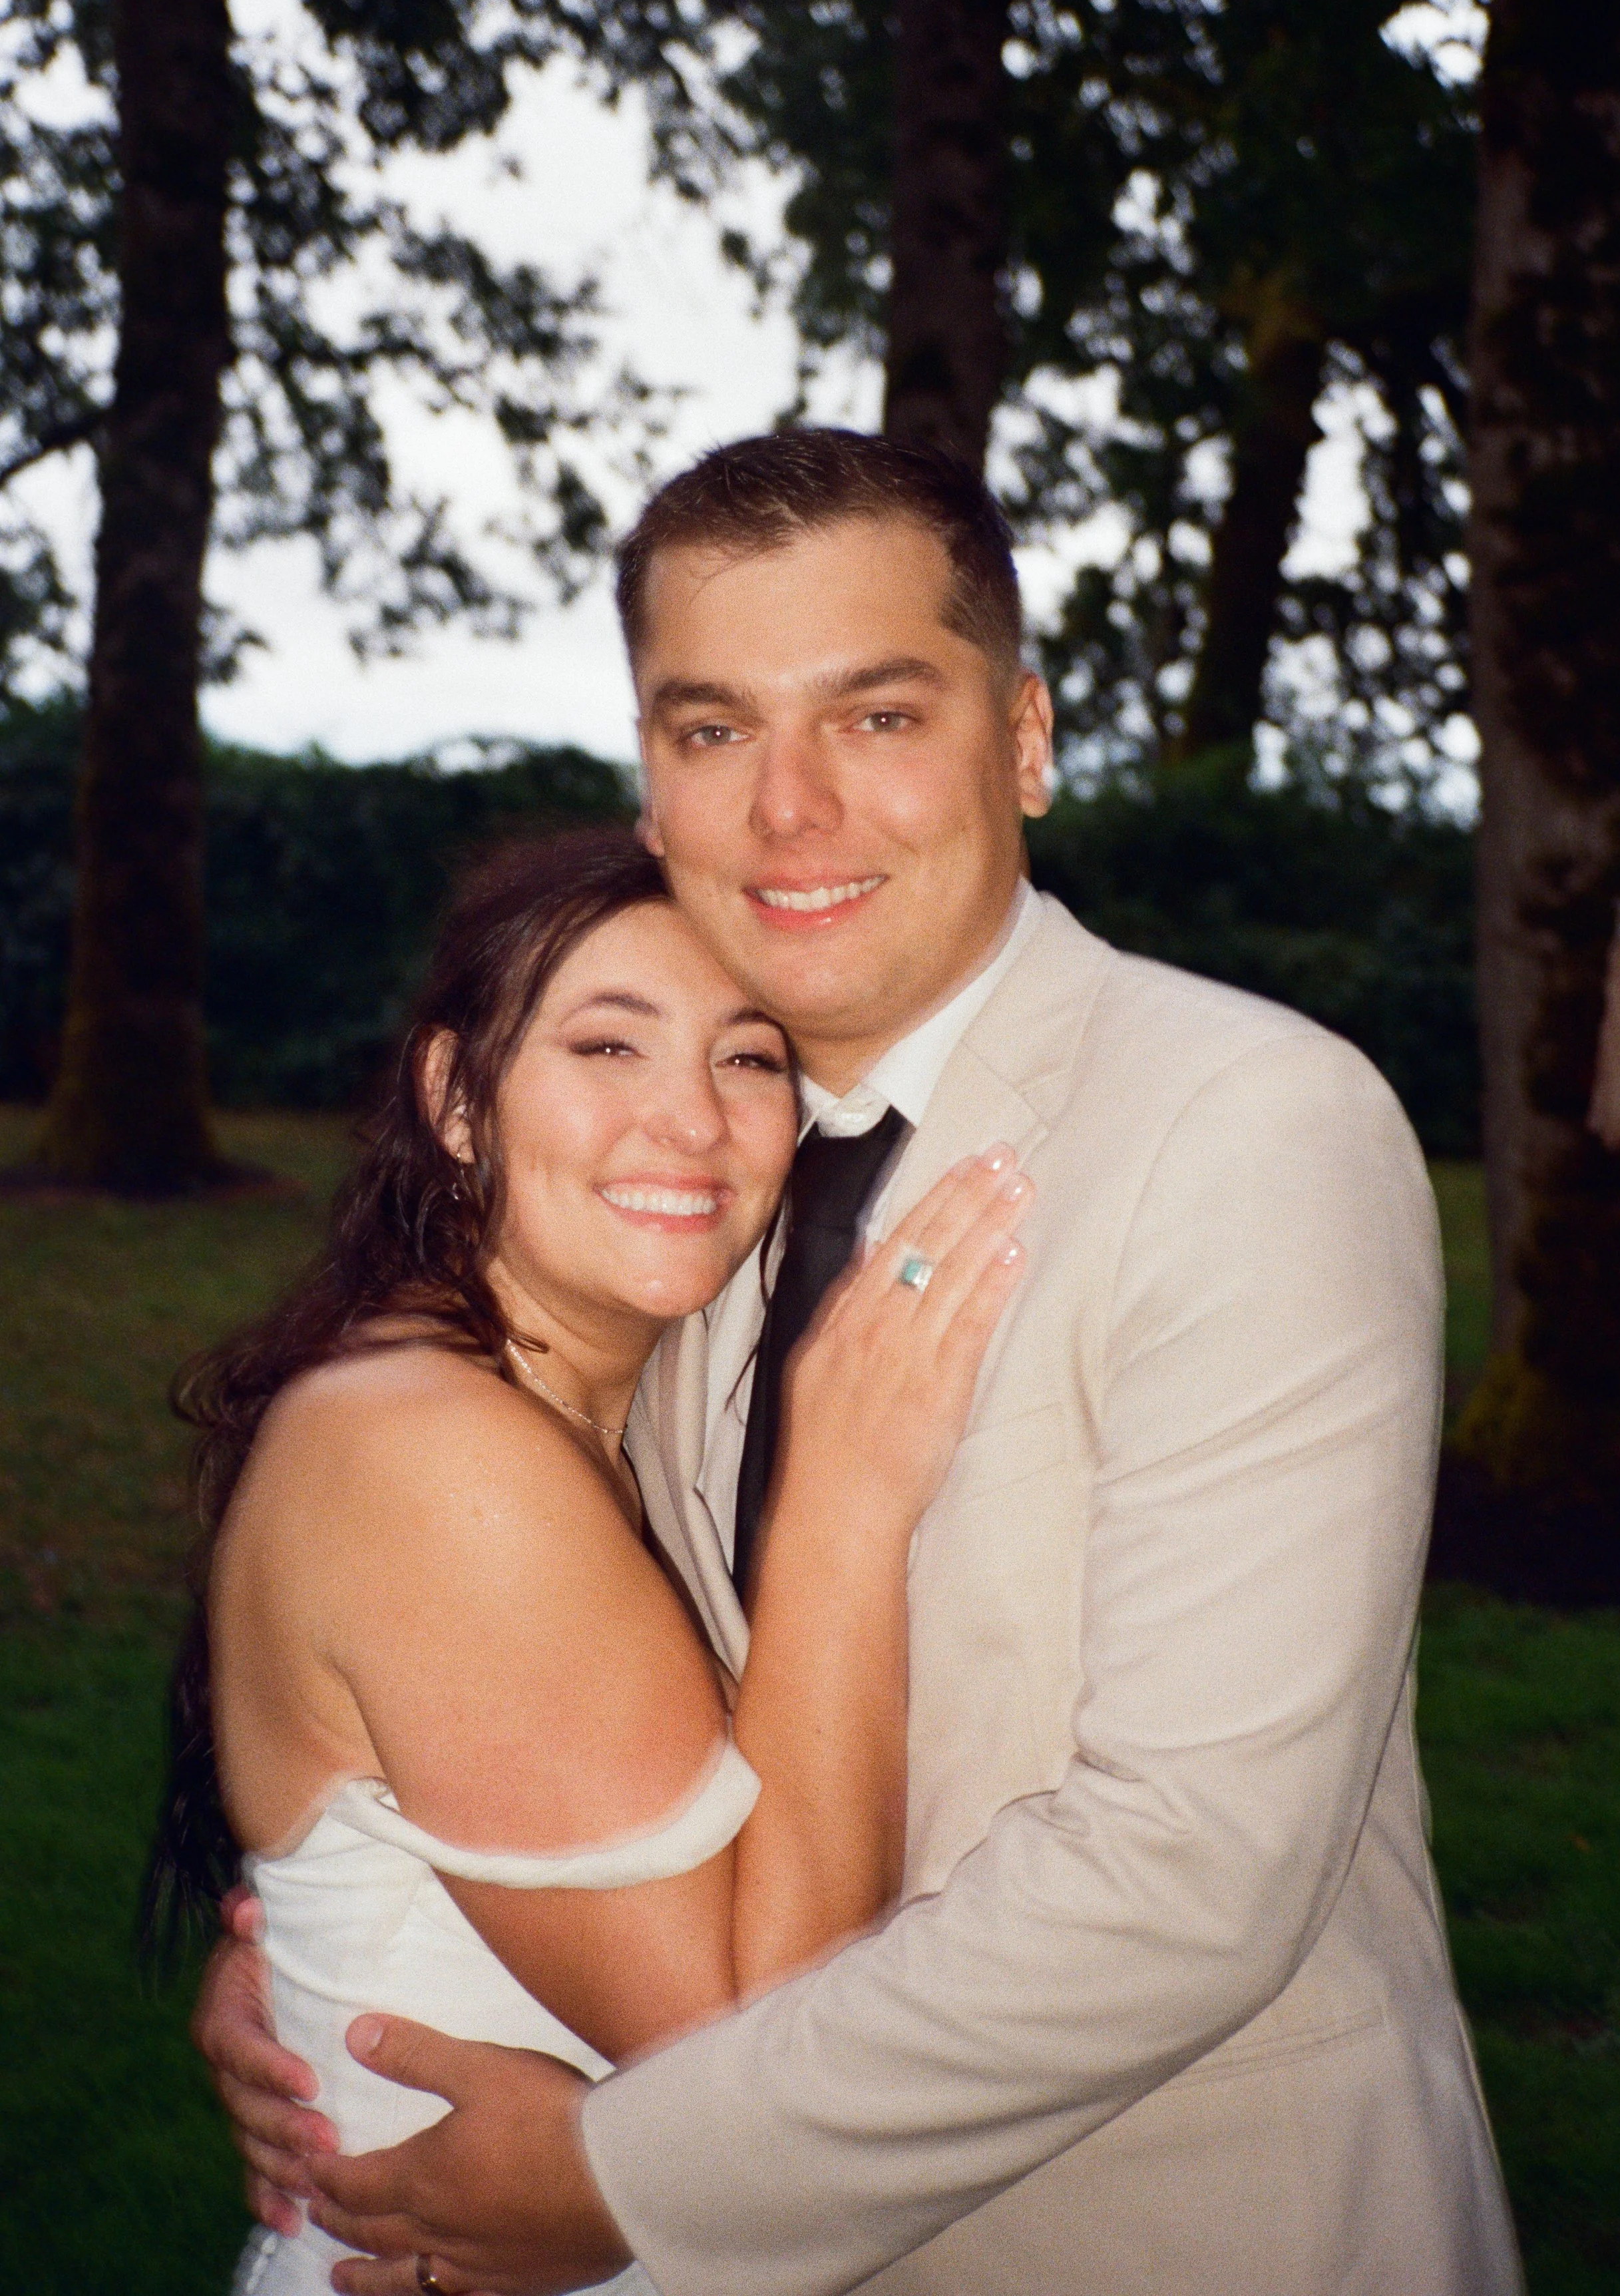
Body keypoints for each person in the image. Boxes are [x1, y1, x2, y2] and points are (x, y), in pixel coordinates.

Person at [198, 429, 1523, 2296]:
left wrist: (628, 2175)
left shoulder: (1244, 1123)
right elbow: (565, 1716)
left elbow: (1190, 1869)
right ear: (653, 781)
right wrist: (342, 1942)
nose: (789, 808)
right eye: (714, 726)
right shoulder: (682, 1210)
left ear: (1028, 740)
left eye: (877, 715)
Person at [158, 821, 1032, 2296]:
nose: (688, 1120)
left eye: (748, 1057)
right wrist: (844, 1502)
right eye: (607, 1046)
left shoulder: (512, 1414)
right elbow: (758, 2055)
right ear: (456, 1095)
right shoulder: (439, 1454)